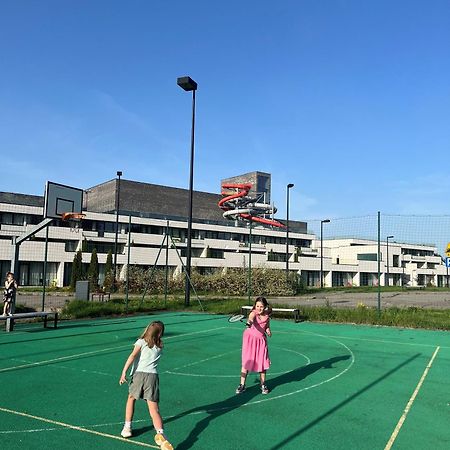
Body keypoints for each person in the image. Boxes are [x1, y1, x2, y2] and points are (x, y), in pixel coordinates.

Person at [119, 321, 173, 450]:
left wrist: (123, 372)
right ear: (160, 333)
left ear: (148, 329)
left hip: (139, 375)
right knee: (154, 409)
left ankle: (127, 428)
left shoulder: (141, 342)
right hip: (153, 377)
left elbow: (132, 356)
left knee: (131, 399)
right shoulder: (160, 345)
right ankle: (161, 434)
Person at [236, 296, 272, 395]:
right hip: (250, 340)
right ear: (255, 306)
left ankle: (263, 384)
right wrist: (248, 323)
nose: (259, 308)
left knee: (262, 363)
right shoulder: (253, 313)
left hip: (261, 341)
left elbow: (267, 326)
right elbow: (251, 319)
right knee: (246, 361)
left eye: (261, 306)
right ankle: (242, 385)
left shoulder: (267, 316)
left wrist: (268, 330)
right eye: (257, 306)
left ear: (264, 307)